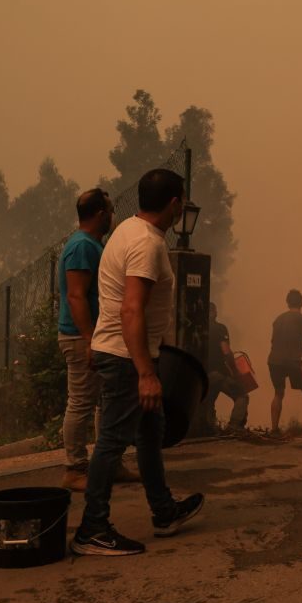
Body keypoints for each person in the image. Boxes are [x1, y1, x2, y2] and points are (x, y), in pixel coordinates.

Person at [72, 169, 204, 556]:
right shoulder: (146, 244)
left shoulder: (127, 230)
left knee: (149, 432)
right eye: (182, 202)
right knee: (111, 442)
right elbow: (131, 310)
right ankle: (92, 529)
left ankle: (164, 512)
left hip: (122, 351)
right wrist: (146, 373)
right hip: (128, 357)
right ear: (176, 205)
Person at [58, 188, 139, 491]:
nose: (112, 217)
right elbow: (76, 295)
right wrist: (90, 339)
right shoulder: (81, 247)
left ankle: (109, 463)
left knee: (104, 403)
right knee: (80, 402)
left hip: (94, 337)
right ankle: (74, 468)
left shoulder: (92, 245)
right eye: (110, 210)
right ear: (101, 214)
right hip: (81, 338)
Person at [267, 289, 302, 436]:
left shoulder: (278, 319)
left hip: (274, 360)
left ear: (287, 302)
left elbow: (273, 341)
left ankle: (274, 430)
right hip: (293, 361)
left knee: (278, 393)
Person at [205, 302, 250, 433]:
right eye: (215, 311)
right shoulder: (220, 328)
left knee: (209, 400)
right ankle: (234, 426)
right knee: (242, 395)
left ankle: (208, 428)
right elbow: (226, 352)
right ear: (213, 312)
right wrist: (235, 371)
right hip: (218, 373)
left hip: (202, 374)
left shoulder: (197, 328)